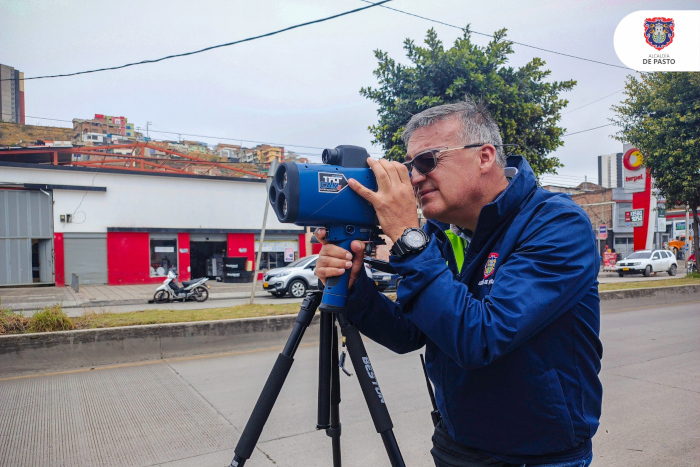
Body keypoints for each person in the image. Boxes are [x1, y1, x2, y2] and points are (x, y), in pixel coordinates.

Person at [315, 99, 602, 467]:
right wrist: (356, 288)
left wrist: (408, 238)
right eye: (409, 165)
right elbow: (409, 334)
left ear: (484, 156)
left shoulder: (557, 224)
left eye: (428, 161)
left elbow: (480, 338)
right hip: (455, 444)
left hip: (536, 456)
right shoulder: (440, 234)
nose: (415, 177)